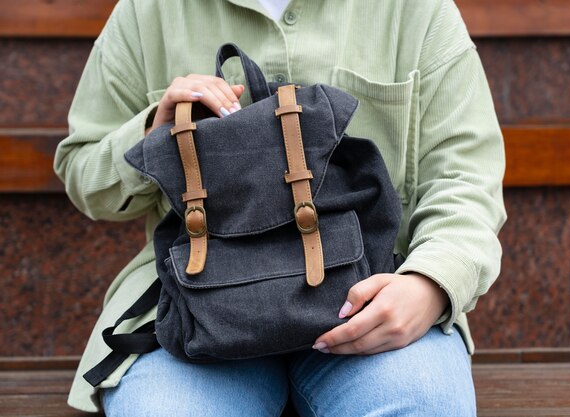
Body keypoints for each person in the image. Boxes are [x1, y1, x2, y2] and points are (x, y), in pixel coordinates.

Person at [54, 0, 506, 415]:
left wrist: (429, 283)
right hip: (193, 307)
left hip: (375, 295)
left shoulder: (413, 9)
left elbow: (465, 175)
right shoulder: (148, 10)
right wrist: (154, 130)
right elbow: (83, 171)